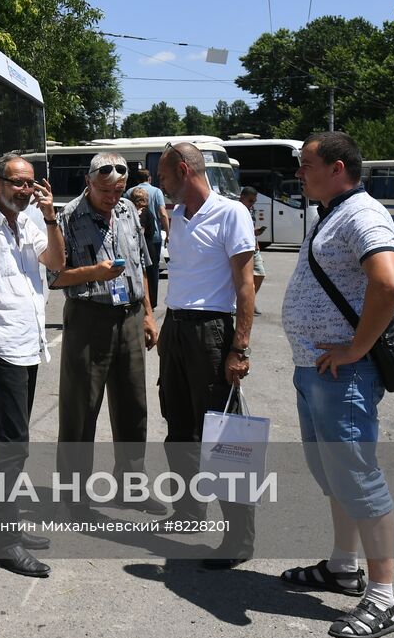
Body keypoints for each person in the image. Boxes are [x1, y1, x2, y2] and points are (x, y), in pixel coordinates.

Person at [279, 131, 394, 638]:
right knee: (333, 475)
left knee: (358, 476)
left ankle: (383, 596)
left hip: (343, 372)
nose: (300, 173)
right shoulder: (332, 211)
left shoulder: (362, 214)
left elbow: (389, 282)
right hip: (316, 371)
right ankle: (343, 567)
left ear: (336, 167)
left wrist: (354, 349)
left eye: (306, 164)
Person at [0, 153, 66, 577]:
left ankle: (5, 524)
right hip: (1, 344)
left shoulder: (29, 221)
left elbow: (56, 264)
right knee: (12, 444)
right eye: (17, 182)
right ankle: (4, 541)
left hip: (27, 342)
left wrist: (51, 217)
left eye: (30, 183)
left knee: (14, 442)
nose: (24, 189)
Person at [153, 142, 256, 568]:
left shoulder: (232, 213)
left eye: (163, 177)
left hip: (213, 332)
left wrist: (239, 347)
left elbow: (246, 285)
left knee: (225, 438)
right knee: (178, 427)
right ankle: (190, 510)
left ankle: (239, 539)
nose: (160, 185)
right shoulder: (177, 216)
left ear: (183, 169)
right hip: (176, 328)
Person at [50, 154, 163, 516]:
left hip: (129, 316)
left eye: (117, 190)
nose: (112, 197)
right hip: (88, 318)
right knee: (80, 410)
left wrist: (147, 314)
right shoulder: (67, 217)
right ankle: (75, 496)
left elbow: (141, 265)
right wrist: (93, 273)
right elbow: (55, 277)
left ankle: (131, 486)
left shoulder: (129, 209)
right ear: (88, 182)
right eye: (104, 191)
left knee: (134, 406)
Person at [135, 169, 170, 306]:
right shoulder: (157, 191)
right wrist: (168, 232)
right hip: (153, 237)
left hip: (134, 238)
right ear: (149, 178)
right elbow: (162, 212)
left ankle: (138, 299)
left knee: (136, 269)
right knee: (153, 270)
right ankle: (152, 302)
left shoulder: (129, 192)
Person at [239, 186, 267, 295]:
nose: (252, 204)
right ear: (242, 198)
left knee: (260, 274)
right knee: (242, 277)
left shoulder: (251, 210)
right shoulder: (235, 210)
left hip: (254, 247)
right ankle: (244, 301)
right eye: (250, 201)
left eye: (254, 201)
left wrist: (255, 233)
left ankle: (249, 299)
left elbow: (249, 227)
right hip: (242, 248)